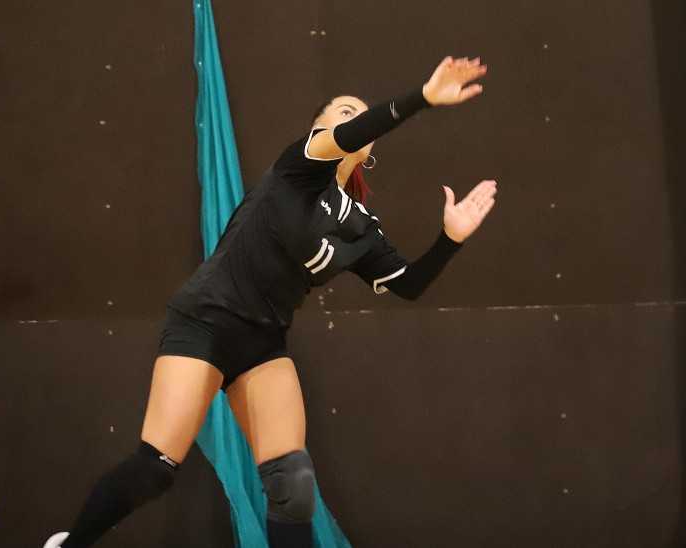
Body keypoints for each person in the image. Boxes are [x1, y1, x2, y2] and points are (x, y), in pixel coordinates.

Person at [44, 55, 495, 548]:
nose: (355, 120)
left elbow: (407, 283)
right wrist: (423, 98)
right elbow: (349, 134)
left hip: (262, 344)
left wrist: (451, 239)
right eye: (344, 112)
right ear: (320, 129)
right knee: (155, 472)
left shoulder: (361, 226)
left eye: (361, 118)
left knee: (294, 488)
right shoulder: (300, 167)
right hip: (205, 321)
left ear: (370, 153)